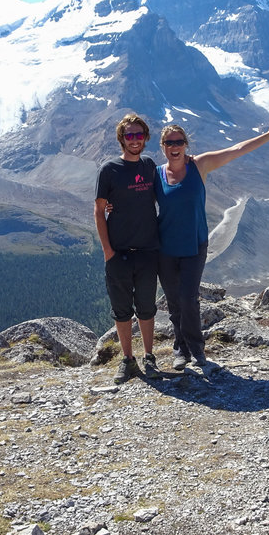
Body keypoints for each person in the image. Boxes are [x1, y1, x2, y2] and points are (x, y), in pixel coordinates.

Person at [155, 117, 269, 375]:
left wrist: (267, 136)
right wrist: (110, 207)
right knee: (173, 301)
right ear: (163, 146)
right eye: (169, 142)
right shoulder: (156, 175)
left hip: (194, 245)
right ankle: (180, 349)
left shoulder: (200, 165)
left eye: (179, 141)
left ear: (185, 144)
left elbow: (235, 150)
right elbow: (135, 199)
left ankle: (196, 347)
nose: (175, 146)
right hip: (165, 248)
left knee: (189, 298)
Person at [94, 113, 162, 383]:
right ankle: (127, 359)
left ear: (145, 138)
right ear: (121, 139)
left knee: (147, 308)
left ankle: (149, 356)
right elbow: (99, 211)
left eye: (139, 135)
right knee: (122, 310)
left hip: (147, 251)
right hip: (119, 253)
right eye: (129, 136)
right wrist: (107, 251)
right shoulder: (109, 170)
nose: (135, 140)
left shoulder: (149, 166)